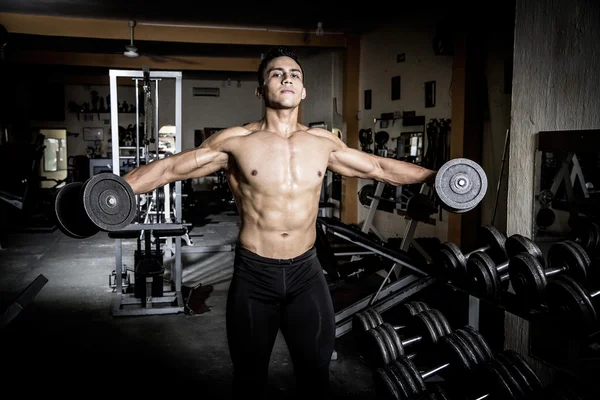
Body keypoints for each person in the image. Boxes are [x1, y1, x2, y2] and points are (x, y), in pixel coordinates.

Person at [123, 46, 437, 399]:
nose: (287, 77)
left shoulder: (323, 143)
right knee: (250, 380)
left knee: (315, 375)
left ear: (303, 91)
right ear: (261, 90)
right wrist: (113, 191)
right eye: (276, 73)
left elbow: (378, 167)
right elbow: (169, 168)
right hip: (254, 276)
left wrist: (433, 177)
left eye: (295, 74)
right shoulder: (235, 142)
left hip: (306, 273)